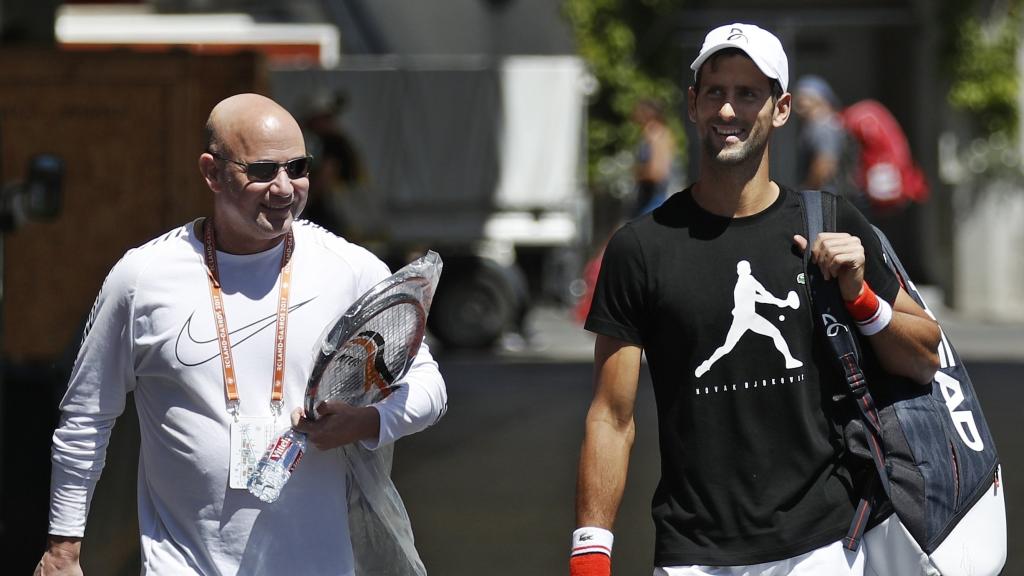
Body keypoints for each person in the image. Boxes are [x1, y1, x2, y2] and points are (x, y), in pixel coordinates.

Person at [570, 23, 940, 576]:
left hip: (823, 550)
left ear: (782, 108)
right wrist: (590, 552)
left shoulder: (832, 223)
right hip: (693, 555)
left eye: (749, 94)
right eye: (715, 92)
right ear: (693, 105)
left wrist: (859, 297)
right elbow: (611, 416)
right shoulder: (641, 248)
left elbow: (925, 355)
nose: (728, 111)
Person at [34, 93, 447, 576]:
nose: (284, 187)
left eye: (297, 168)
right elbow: (86, 418)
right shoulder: (142, 277)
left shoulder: (349, 269)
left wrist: (367, 422)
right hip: (181, 563)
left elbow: (430, 388)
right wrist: (63, 548)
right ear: (212, 172)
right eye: (262, 171)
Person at [792, 74, 866, 213]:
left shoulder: (821, 126)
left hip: (827, 200)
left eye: (804, 97)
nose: (798, 102)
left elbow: (825, 164)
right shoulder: (831, 123)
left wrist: (805, 193)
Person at [631, 98, 679, 216]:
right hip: (648, 198)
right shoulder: (651, 135)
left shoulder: (657, 136)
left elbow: (657, 172)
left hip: (655, 200)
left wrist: (637, 172)